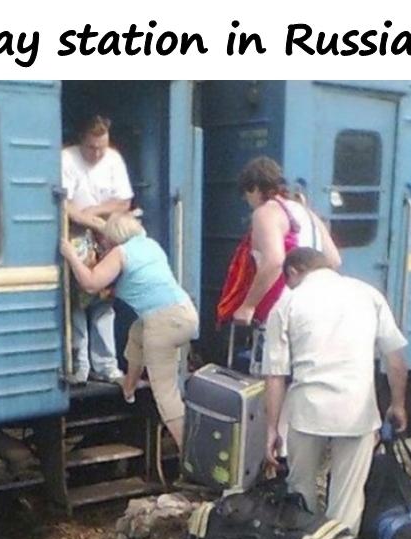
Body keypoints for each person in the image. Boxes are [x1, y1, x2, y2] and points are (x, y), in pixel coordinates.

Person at [263, 247, 408, 535]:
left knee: (299, 491)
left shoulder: (286, 303)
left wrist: (271, 429)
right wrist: (398, 404)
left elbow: (275, 376)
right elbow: (395, 360)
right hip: (357, 412)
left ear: (293, 272)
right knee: (348, 500)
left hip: (308, 412)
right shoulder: (368, 294)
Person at [61, 213, 198, 450]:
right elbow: (109, 230)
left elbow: (91, 283)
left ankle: (192, 458)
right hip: (186, 314)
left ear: (113, 239)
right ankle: (129, 386)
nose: (102, 243)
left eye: (104, 239)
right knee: (137, 332)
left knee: (166, 395)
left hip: (162, 323)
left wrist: (70, 255)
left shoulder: (120, 253)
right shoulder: (148, 244)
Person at [228, 157, 341, 373]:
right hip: (319, 310)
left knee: (273, 378)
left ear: (253, 188)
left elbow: (274, 261)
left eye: (246, 194)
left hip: (284, 310)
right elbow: (334, 260)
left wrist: (248, 305)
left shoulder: (265, 213)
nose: (247, 200)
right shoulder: (308, 214)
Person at [62, 115, 134, 384]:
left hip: (106, 234)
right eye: (92, 148)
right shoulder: (66, 159)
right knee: (79, 300)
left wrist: (97, 212)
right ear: (81, 141)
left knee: (105, 299)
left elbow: (124, 202)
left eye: (102, 147)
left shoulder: (113, 159)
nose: (97, 153)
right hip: (77, 232)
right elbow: (64, 203)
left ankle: (106, 365)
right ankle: (80, 365)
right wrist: (86, 219)